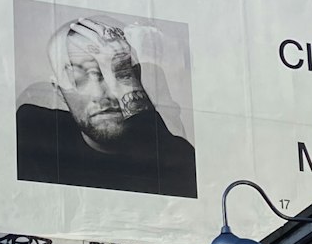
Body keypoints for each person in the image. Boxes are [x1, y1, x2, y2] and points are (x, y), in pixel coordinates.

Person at [16, 16, 197, 197]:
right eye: (77, 77)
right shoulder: (34, 133)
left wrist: (123, 75)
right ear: (58, 91)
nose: (99, 94)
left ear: (136, 79)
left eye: (114, 73)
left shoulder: (177, 156)